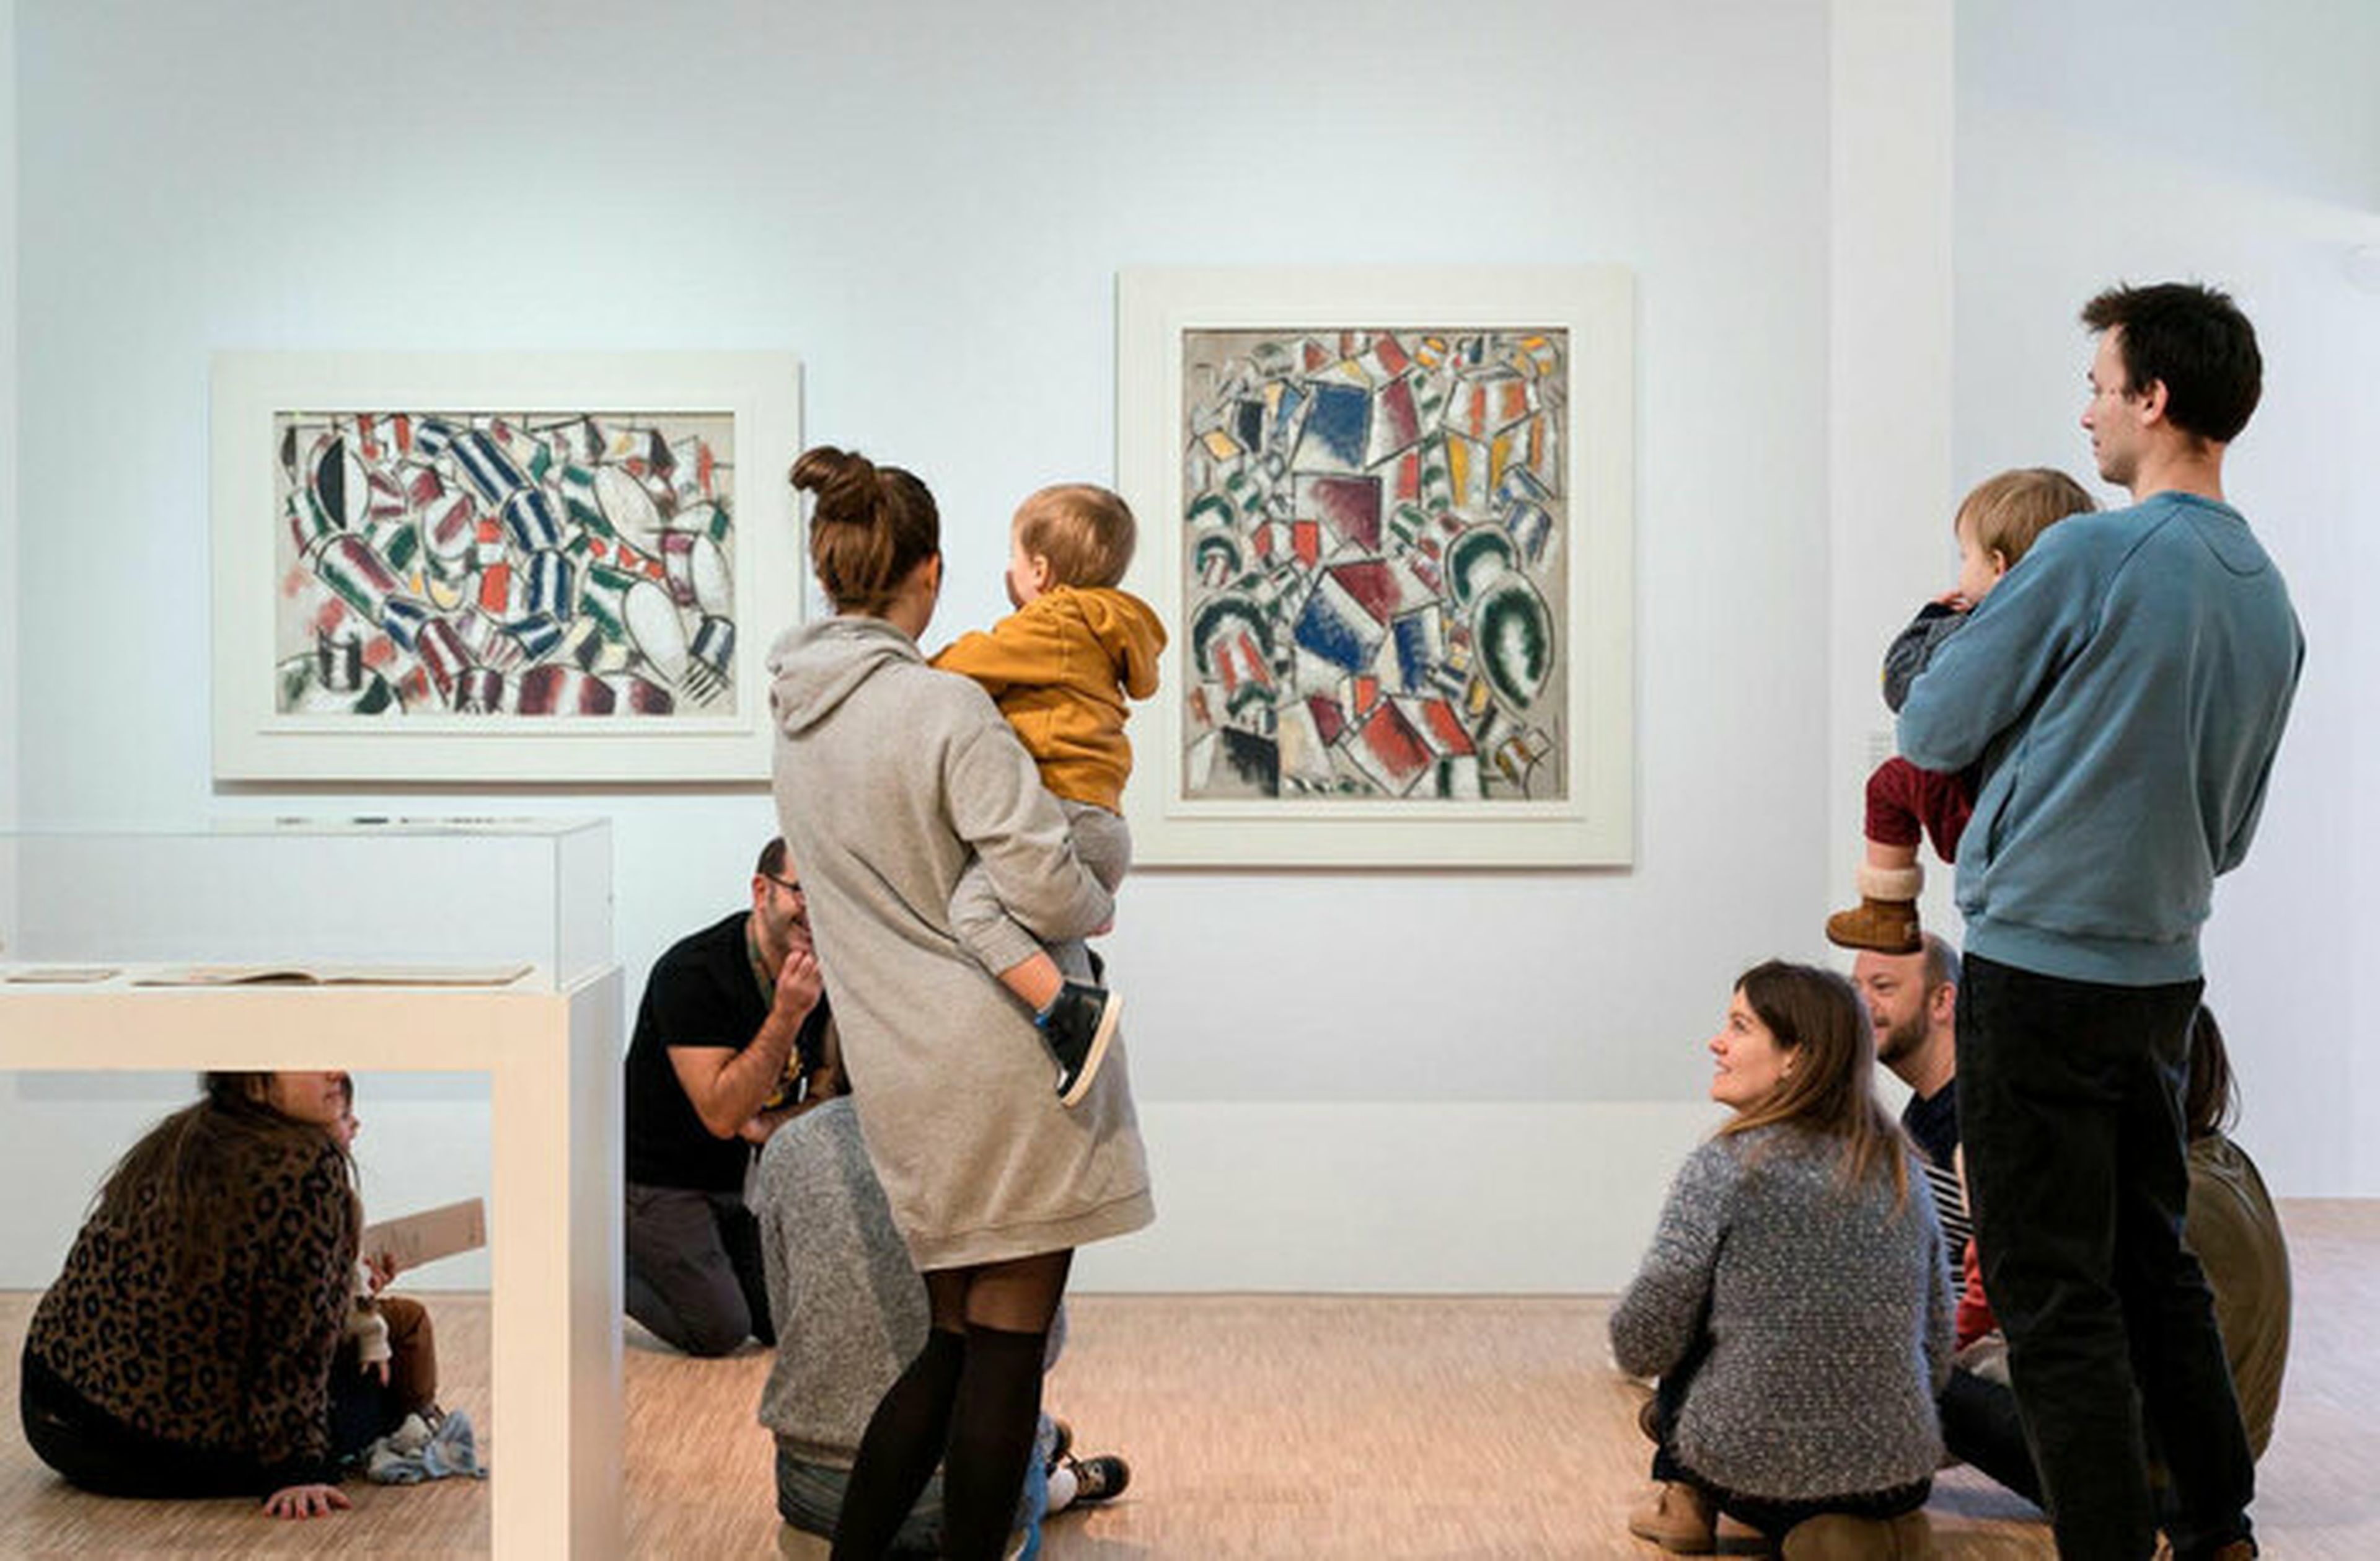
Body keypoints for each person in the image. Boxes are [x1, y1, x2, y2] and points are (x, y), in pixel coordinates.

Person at [1896, 282, 2301, 1561]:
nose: (2088, 413)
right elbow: (2231, 835)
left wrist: (1947, 628)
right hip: (2162, 977)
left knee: (2051, 1289)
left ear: (2153, 398)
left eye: (2099, 385)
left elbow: (1929, 726)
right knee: (2151, 1262)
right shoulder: (2269, 599)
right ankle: (2219, 1526)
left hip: (2036, 968)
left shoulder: (2087, 555)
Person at [770, 444, 1152, 1561]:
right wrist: (1098, 896)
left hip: (903, 1071)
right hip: (1008, 1063)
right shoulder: (948, 707)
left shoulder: (799, 721)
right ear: (928, 572)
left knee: (948, 1348)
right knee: (1007, 1357)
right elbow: (1046, 884)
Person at [1613, 961, 1950, 1559]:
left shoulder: (1726, 1167)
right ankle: (1868, 1528)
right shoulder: (1902, 1170)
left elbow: (1645, 1339)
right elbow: (1937, 1340)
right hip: (1899, 1471)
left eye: (1740, 1027)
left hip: (1752, 1471)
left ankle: (1685, 1502)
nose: (1717, 1043)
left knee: (1688, 1314)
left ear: (1796, 1056)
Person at [754, 1029, 1132, 1555]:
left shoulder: (790, 1145)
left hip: (813, 1487)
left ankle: (1050, 1455)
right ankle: (1061, 1482)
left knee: (960, 1360)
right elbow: (1035, 1352)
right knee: (1002, 1396)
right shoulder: (994, 1149)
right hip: (962, 1485)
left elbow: (782, 1315)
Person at [1939, 1006, 2292, 1510]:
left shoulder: (2157, 1206)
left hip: (2152, 1475)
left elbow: (2064, 1353)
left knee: (1922, 1377)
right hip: (2224, 1460)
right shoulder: (2225, 1162)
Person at [20, 1071, 363, 1520]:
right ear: (251, 1077)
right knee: (377, 1390)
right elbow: (296, 1335)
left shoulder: (185, 1133)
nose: (336, 1071)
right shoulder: (309, 1165)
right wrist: (297, 1468)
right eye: (308, 1058)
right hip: (141, 1447)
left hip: (51, 1412)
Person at [930, 482, 1166, 1105]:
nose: (1006, 570)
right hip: (1100, 828)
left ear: (1039, 569)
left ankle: (1070, 1011)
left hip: (1060, 817)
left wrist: (908, 670)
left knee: (973, 913)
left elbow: (965, 667)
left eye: (1012, 556)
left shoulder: (1055, 623)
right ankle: (1085, 930)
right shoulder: (1101, 632)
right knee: (1041, 932)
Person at [1825, 469, 2095, 952]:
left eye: (1965, 556)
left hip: (1978, 816)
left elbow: (1901, 686)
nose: (1962, 570)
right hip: (2056, 834)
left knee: (1890, 782)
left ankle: (1887, 911)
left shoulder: (1971, 632)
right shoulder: (2084, 637)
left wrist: (1927, 622)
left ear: (1999, 566)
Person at [624, 838, 831, 1356]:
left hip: (734, 1182)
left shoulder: (830, 966)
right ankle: (590, 1264)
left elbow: (831, 1099)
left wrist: (766, 1126)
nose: (817, 909)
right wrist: (788, 1015)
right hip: (656, 1180)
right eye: (803, 891)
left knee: (785, 1322)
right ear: (762, 891)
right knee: (720, 1331)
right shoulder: (692, 973)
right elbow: (723, 1115)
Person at [325, 1076, 442, 1449]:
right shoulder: (332, 1193)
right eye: (345, 1115)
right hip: (331, 1326)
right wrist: (372, 1329)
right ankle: (416, 1418)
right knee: (410, 1317)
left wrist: (367, 1283)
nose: (356, 1123)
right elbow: (348, 1297)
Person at [1852, 935, 1972, 1265]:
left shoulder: (1982, 1115)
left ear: (1942, 1001)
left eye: (1883, 987)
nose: (1862, 1006)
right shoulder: (1919, 1115)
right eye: (1856, 990)